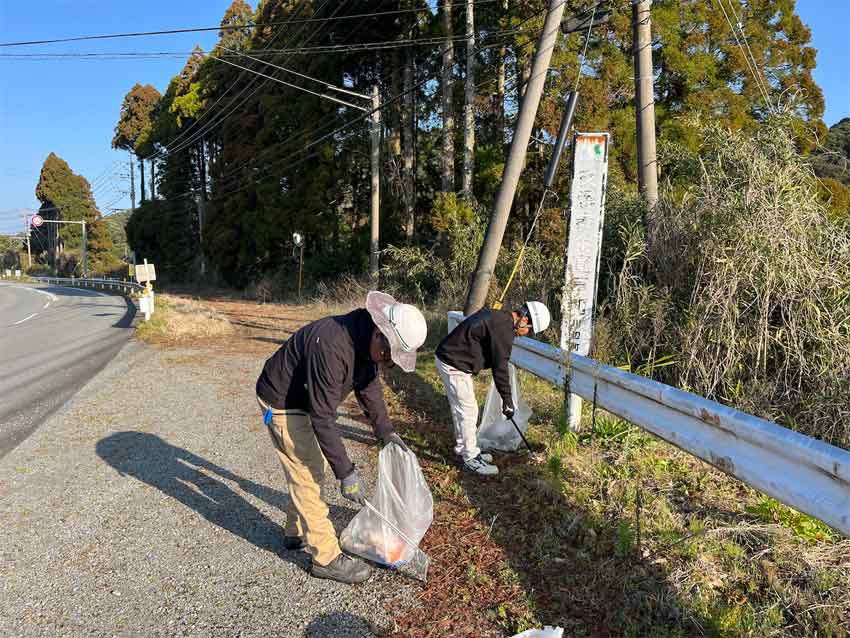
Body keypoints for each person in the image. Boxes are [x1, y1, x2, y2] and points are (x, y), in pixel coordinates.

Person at [255, 291, 427, 585]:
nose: (388, 363)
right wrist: (346, 473)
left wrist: (385, 431)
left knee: (309, 469)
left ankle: (294, 532)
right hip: (282, 401)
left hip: (305, 397)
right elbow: (322, 417)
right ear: (379, 334)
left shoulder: (364, 339)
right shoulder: (333, 347)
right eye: (388, 356)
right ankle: (326, 558)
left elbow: (369, 387)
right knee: (307, 473)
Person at [435, 301, 550, 475]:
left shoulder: (501, 319)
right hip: (453, 362)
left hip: (451, 359)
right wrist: (508, 401)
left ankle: (465, 448)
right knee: (468, 410)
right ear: (524, 319)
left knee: (463, 409)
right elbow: (500, 368)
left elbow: (496, 360)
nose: (526, 334)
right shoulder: (504, 329)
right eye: (530, 330)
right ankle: (470, 458)